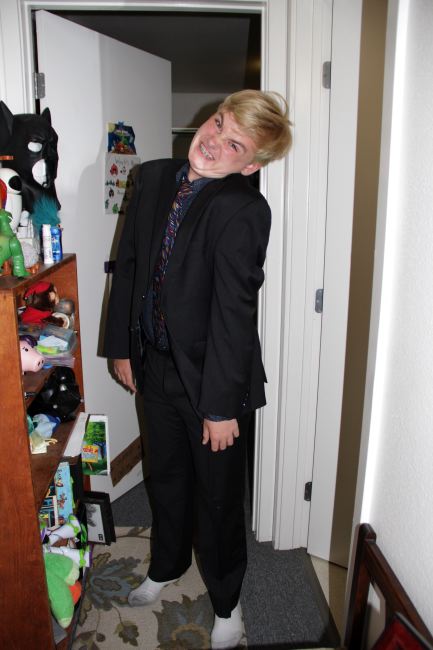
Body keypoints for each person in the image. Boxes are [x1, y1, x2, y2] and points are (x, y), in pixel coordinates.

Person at [103, 89, 292, 649]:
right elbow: (129, 267)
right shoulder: (153, 177)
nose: (213, 142)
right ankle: (166, 565)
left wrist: (220, 408)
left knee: (217, 499)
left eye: (234, 144)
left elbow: (235, 313)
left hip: (214, 383)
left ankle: (227, 600)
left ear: (250, 165)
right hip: (154, 366)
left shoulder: (244, 209)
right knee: (165, 477)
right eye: (218, 124)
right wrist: (122, 348)